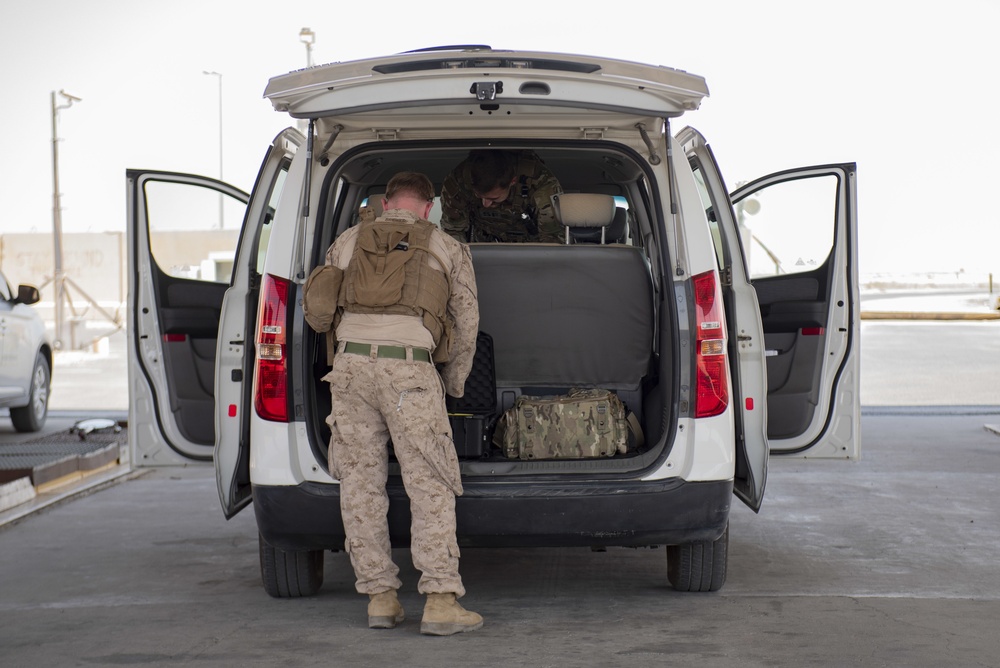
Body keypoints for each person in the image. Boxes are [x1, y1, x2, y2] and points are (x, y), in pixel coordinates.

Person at [306, 172, 482, 635]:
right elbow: (466, 323)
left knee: (361, 484)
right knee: (430, 482)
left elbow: (319, 308)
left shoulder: (346, 241)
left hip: (349, 371)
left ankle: (380, 599)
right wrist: (454, 383)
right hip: (408, 372)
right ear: (428, 208)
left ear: (385, 205)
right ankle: (441, 601)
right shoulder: (445, 245)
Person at [440, 149, 563, 243]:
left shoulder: (540, 183)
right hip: (482, 248)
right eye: (479, 196)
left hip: (531, 250)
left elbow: (552, 238)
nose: (485, 204)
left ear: (512, 182)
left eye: (493, 199)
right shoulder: (458, 182)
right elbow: (453, 232)